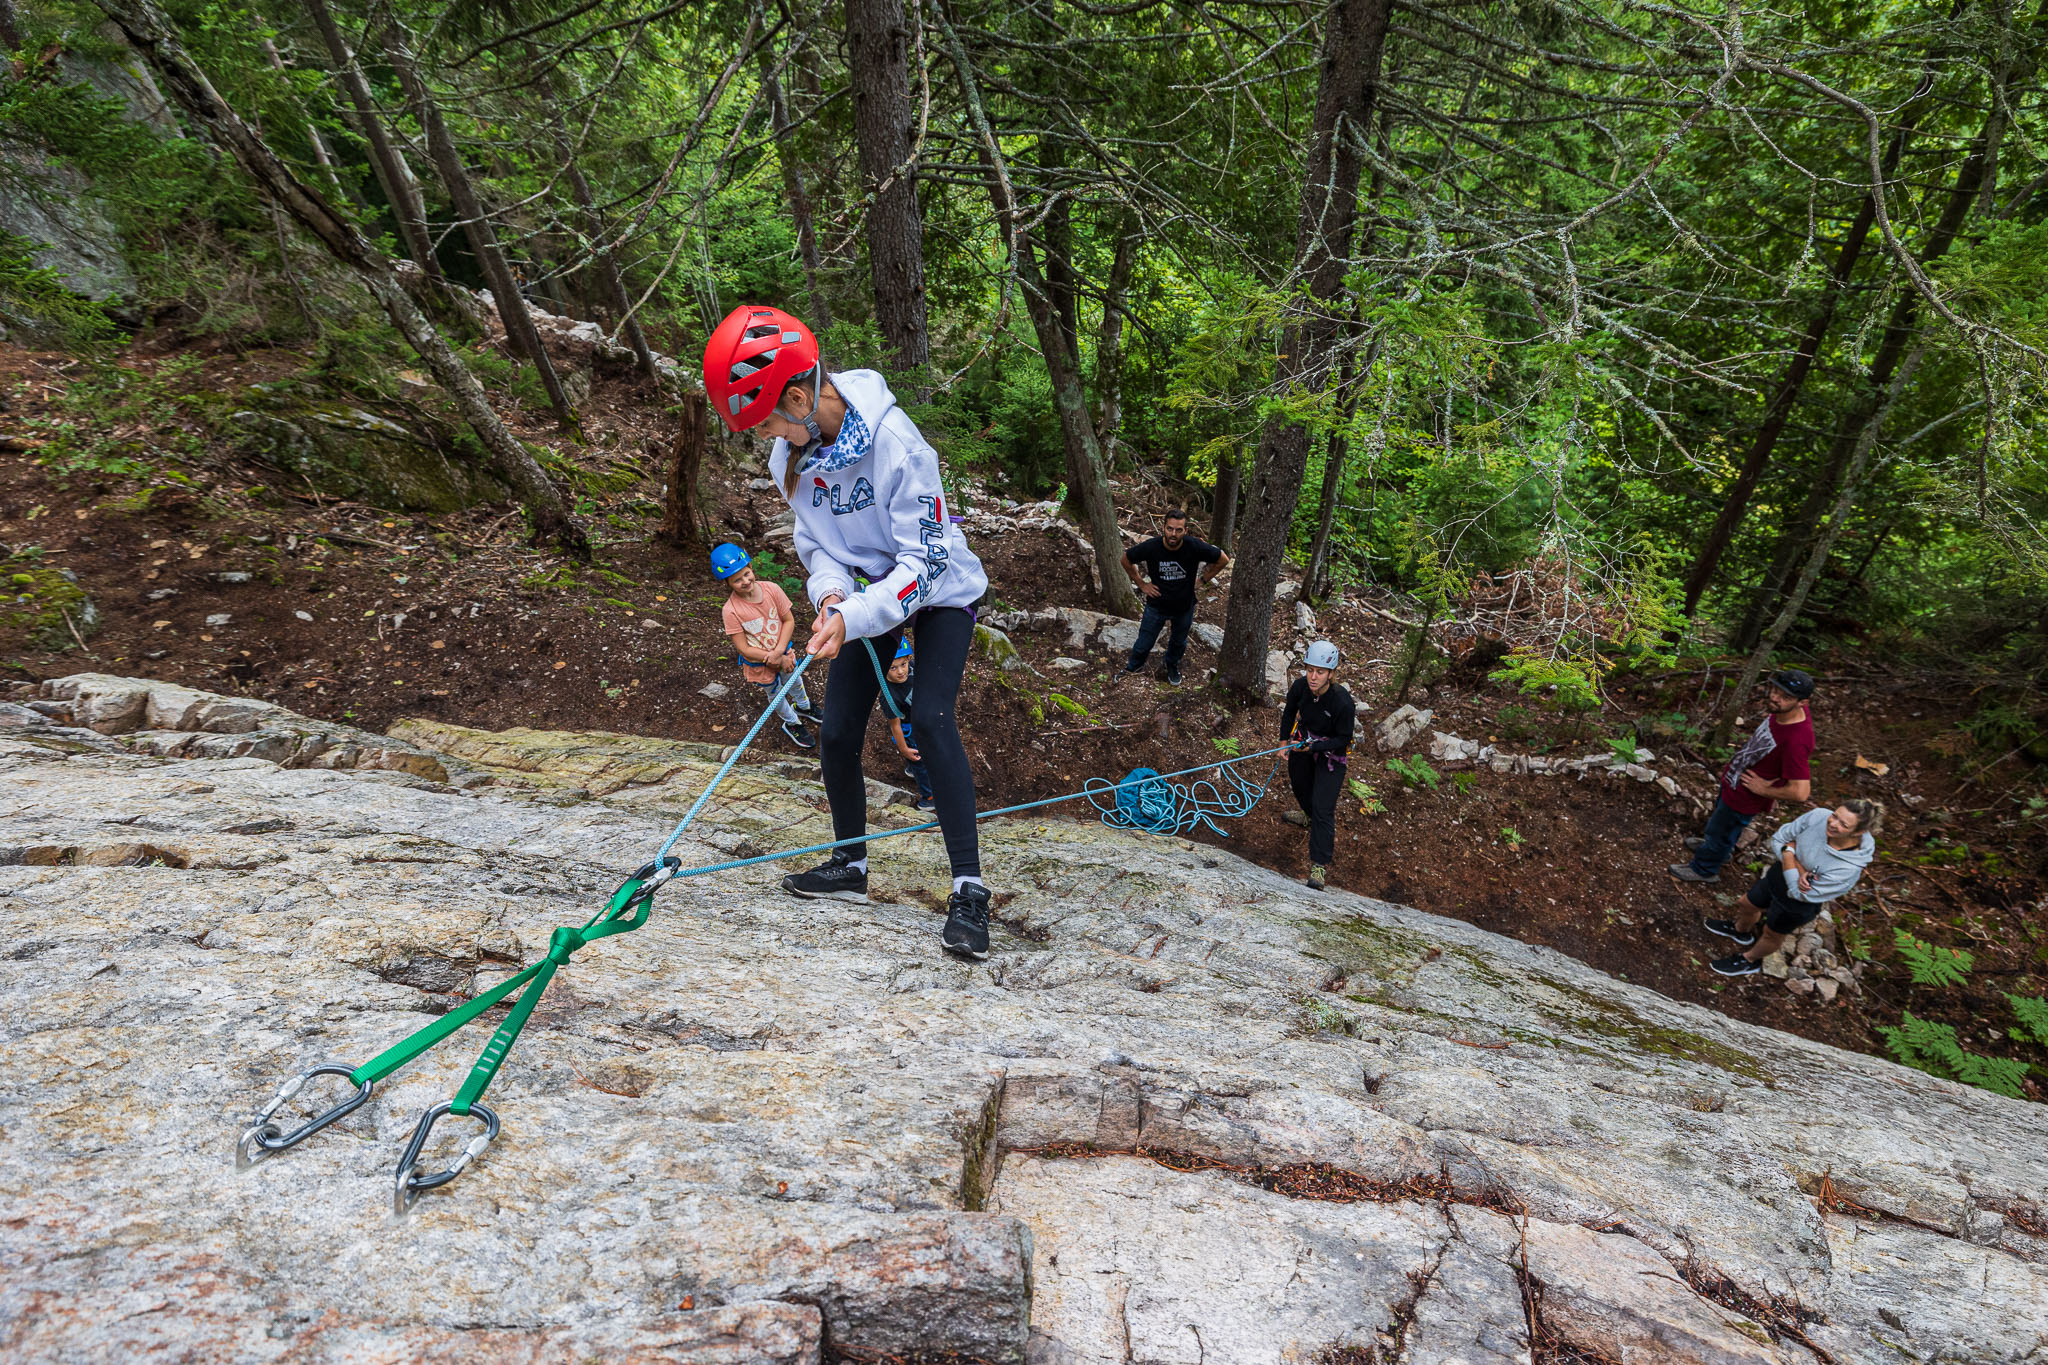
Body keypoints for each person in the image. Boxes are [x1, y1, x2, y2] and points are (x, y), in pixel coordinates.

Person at [703, 304, 996, 960]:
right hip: (863, 598)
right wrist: (831, 595)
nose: (766, 437)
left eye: (767, 420)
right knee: (836, 730)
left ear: (800, 398)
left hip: (938, 592)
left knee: (931, 716)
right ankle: (851, 864)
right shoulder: (790, 457)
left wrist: (853, 615)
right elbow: (818, 543)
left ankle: (969, 888)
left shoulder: (899, 446)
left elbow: (926, 562)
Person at [1669, 670, 1815, 883]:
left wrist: (1764, 790)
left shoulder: (1797, 740)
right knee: (1719, 825)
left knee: (1723, 829)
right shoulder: (1784, 712)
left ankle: (1704, 869)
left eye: (1785, 697)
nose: (1775, 698)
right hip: (1735, 781)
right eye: (1775, 690)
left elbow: (1801, 792)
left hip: (1745, 797)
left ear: (1802, 703)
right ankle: (1716, 848)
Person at [1707, 800, 1881, 977]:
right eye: (1835, 816)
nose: (1832, 823)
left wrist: (1789, 853)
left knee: (1771, 934)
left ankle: (1750, 960)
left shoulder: (1848, 869)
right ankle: (1740, 931)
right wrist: (1798, 868)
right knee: (1746, 903)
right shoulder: (1818, 816)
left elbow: (1799, 893)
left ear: (1858, 832)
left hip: (1797, 905)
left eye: (1843, 824)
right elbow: (1778, 839)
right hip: (1776, 877)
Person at [713, 542, 814, 750]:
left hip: (783, 651)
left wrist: (779, 653)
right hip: (760, 663)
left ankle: (804, 706)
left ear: (751, 567)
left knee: (795, 680)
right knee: (775, 693)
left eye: (746, 574)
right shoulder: (730, 611)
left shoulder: (772, 590)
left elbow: (789, 621)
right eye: (737, 580)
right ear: (727, 583)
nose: (745, 581)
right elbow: (743, 648)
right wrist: (773, 658)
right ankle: (792, 722)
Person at [1121, 509, 1229, 685]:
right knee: (1144, 641)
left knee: (1179, 642)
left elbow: (1223, 559)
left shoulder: (1194, 546)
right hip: (1156, 605)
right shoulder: (1152, 547)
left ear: (1185, 530)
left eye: (1178, 530)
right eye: (1170, 528)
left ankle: (1171, 667)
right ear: (1163, 527)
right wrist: (1141, 584)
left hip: (1184, 605)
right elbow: (1126, 559)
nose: (1173, 534)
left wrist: (1203, 580)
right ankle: (1133, 667)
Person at [1279, 640, 1355, 891]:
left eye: (1320, 672)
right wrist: (1283, 742)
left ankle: (1319, 865)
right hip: (1303, 745)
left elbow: (1344, 739)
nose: (1313, 676)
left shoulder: (1342, 702)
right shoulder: (1300, 687)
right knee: (1300, 787)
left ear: (1331, 674)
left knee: (1323, 808)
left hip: (1331, 756)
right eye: (1310, 670)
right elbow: (1289, 712)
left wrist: (1313, 748)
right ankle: (1307, 815)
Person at [883, 640, 935, 812]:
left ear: (909, 659)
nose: (900, 672)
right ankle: (928, 797)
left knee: (920, 758)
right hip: (908, 729)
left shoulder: (911, 668)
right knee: (919, 761)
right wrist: (904, 749)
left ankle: (911, 768)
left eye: (903, 664)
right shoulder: (889, 695)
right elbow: (895, 726)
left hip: (920, 718)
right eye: (893, 668)